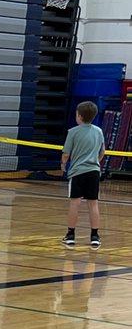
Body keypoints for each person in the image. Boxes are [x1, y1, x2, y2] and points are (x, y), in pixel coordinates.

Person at [61, 100, 105, 250]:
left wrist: (62, 165)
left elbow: (66, 154)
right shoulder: (98, 131)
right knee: (93, 203)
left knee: (75, 203)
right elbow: (102, 152)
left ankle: (70, 235)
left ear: (79, 116)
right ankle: (95, 236)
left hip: (77, 172)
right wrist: (95, 162)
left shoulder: (72, 132)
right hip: (94, 172)